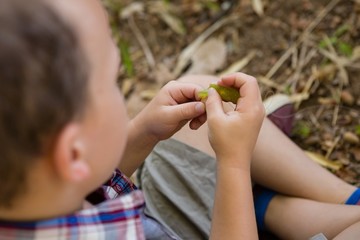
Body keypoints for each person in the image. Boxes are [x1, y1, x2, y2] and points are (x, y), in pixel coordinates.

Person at [0, 0, 359, 240]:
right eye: (111, 82)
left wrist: (143, 132)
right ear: (74, 153)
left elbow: (91, 189)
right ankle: (255, 202)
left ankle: (325, 202)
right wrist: (234, 165)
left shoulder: (35, 193)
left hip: (157, 223)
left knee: (199, 89)